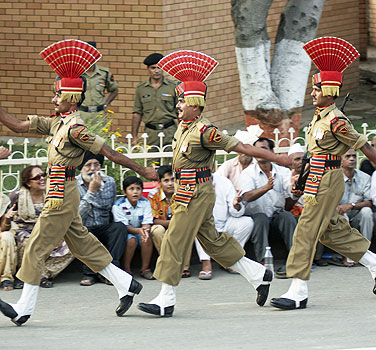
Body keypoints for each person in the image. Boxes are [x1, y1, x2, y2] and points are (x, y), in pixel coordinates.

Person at [0, 39, 158, 325]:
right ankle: (125, 284)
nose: (52, 99)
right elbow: (20, 126)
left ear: (71, 97)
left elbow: (107, 152)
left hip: (62, 191)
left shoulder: (76, 128)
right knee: (81, 243)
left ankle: (24, 307)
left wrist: (142, 170)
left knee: (36, 246)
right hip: (60, 190)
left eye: (56, 95)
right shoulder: (56, 122)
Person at [136, 50, 291, 318]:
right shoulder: (183, 127)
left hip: (197, 192)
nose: (178, 104)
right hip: (186, 191)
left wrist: (279, 158)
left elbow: (243, 147)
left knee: (173, 239)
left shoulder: (205, 131)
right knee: (214, 241)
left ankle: (166, 298)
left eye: (182, 101)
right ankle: (258, 274)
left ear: (196, 104)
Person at [270, 37, 376, 310]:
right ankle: (374, 263)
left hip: (328, 180)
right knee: (330, 231)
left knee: (306, 230)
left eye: (317, 88)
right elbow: (312, 155)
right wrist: (301, 180)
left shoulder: (336, 120)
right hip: (317, 178)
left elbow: (362, 144)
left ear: (330, 90)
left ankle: (298, 290)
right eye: (313, 87)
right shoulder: (319, 116)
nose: (313, 92)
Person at [239, 137, 298, 277]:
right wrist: (266, 188)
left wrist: (295, 189)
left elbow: (290, 190)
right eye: (257, 149)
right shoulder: (247, 173)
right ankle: (263, 262)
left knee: (287, 217)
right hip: (257, 219)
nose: (259, 152)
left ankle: (295, 260)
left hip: (276, 216)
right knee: (261, 218)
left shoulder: (282, 171)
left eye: (263, 149)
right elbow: (247, 196)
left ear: (271, 152)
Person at [9, 165, 74, 288]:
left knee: (74, 244)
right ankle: (26, 275)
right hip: (24, 230)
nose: (42, 178)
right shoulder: (17, 195)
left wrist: (59, 236)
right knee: (30, 242)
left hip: (48, 231)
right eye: (37, 177)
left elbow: (60, 217)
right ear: (28, 182)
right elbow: (9, 216)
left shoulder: (53, 194)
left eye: (43, 175)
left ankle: (42, 274)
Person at [77, 151, 127, 286]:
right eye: (88, 165)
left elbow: (111, 207)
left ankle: (112, 271)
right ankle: (90, 274)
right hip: (85, 226)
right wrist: (92, 191)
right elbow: (78, 215)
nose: (93, 169)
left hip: (104, 225)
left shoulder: (109, 182)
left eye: (96, 165)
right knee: (85, 233)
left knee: (119, 228)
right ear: (81, 168)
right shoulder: (74, 185)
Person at [132, 53, 179, 148]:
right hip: (151, 132)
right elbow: (137, 113)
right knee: (151, 161)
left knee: (171, 160)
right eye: (153, 68)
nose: (156, 71)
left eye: (159, 68)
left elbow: (180, 111)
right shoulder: (141, 89)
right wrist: (134, 136)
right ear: (148, 69)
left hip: (170, 131)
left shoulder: (173, 87)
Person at [112, 176, 154, 279]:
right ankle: (127, 269)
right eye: (131, 189)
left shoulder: (145, 202)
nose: (135, 192)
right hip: (125, 233)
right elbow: (123, 226)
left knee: (147, 238)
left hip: (141, 230)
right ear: (125, 192)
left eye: (138, 189)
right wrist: (139, 231)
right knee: (131, 240)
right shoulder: (118, 205)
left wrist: (144, 230)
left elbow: (147, 220)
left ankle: (145, 269)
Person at [337, 149, 373, 266]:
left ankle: (364, 252)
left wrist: (351, 206)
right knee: (341, 215)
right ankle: (347, 255)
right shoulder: (333, 178)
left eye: (354, 156)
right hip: (340, 214)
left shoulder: (365, 177)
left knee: (367, 212)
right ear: (340, 161)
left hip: (357, 213)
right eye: (348, 156)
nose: (352, 159)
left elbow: (369, 202)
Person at [79, 41, 119, 126]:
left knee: (100, 138)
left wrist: (106, 103)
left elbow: (114, 89)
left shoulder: (104, 73)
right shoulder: (77, 74)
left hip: (99, 115)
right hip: (81, 114)